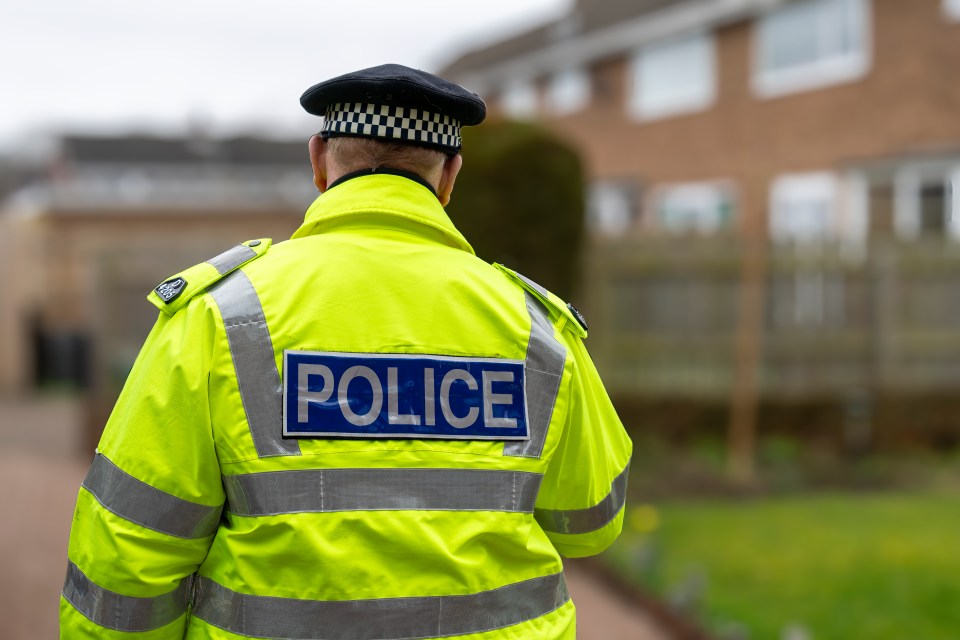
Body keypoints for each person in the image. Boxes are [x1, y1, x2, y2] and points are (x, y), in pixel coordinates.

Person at [60, 64, 632, 639]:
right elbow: (590, 521)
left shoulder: (223, 314)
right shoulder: (535, 326)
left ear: (318, 160)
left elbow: (129, 552)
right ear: (451, 174)